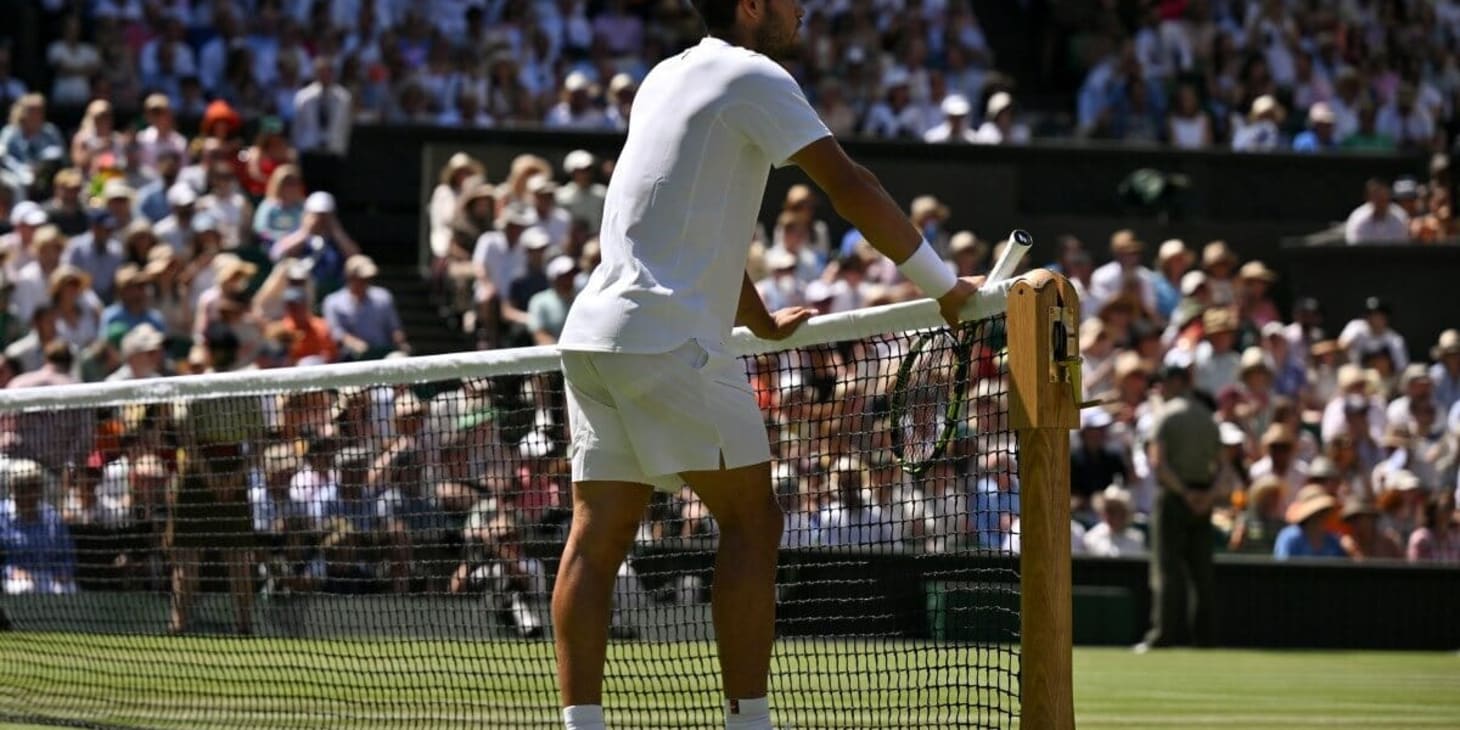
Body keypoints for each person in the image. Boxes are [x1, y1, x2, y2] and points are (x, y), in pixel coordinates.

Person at [548, 0, 983, 726]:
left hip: (594, 339)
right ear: (750, 5)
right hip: (667, 340)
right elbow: (852, 186)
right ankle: (750, 721)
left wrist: (755, 318)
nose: (803, 8)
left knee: (596, 537)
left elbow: (674, 226)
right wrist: (945, 286)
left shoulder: (664, 76)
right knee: (753, 523)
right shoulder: (756, 75)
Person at [1138, 362, 1220, 651]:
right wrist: (1206, 496)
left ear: (1175, 383)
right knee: (1202, 572)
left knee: (1166, 570)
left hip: (1175, 498)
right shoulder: (1208, 419)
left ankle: (1163, 636)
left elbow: (1158, 464)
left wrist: (1184, 493)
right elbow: (1221, 467)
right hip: (1203, 499)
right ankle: (1205, 638)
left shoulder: (1165, 417)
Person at [321, 255, 408, 360]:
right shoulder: (332, 301)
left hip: (382, 354)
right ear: (350, 277)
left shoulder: (383, 297)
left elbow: (394, 328)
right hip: (350, 357)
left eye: (369, 278)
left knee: (399, 358)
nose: (366, 282)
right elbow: (336, 332)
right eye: (362, 278)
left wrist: (400, 343)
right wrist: (354, 343)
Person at [1273, 484, 1346, 559]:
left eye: (1323, 511)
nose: (1321, 515)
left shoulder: (1333, 540)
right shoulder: (1290, 537)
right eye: (1318, 512)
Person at [1083, 485, 1145, 557]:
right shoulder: (1091, 538)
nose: (1110, 515)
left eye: (1115, 510)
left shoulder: (1137, 540)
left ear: (1125, 513)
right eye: (1107, 510)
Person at [1344, 179, 1410, 244]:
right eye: (1376, 196)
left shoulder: (1400, 216)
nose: (1380, 200)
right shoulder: (1358, 219)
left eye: (1383, 196)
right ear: (1368, 197)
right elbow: (1355, 249)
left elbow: (1403, 245)